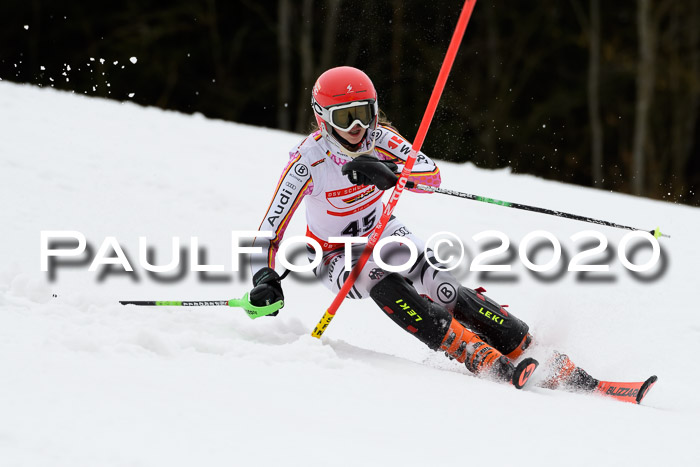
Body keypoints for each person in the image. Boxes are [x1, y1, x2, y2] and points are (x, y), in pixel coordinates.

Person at [248, 66, 594, 389]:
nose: (357, 127)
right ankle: (470, 351)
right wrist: (263, 277)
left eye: (364, 113)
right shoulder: (307, 163)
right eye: (345, 117)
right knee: (377, 278)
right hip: (332, 252)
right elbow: (268, 232)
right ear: (322, 119)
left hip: (380, 230)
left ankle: (526, 345)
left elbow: (432, 176)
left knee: (439, 281)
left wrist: (392, 173)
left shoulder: (381, 139)